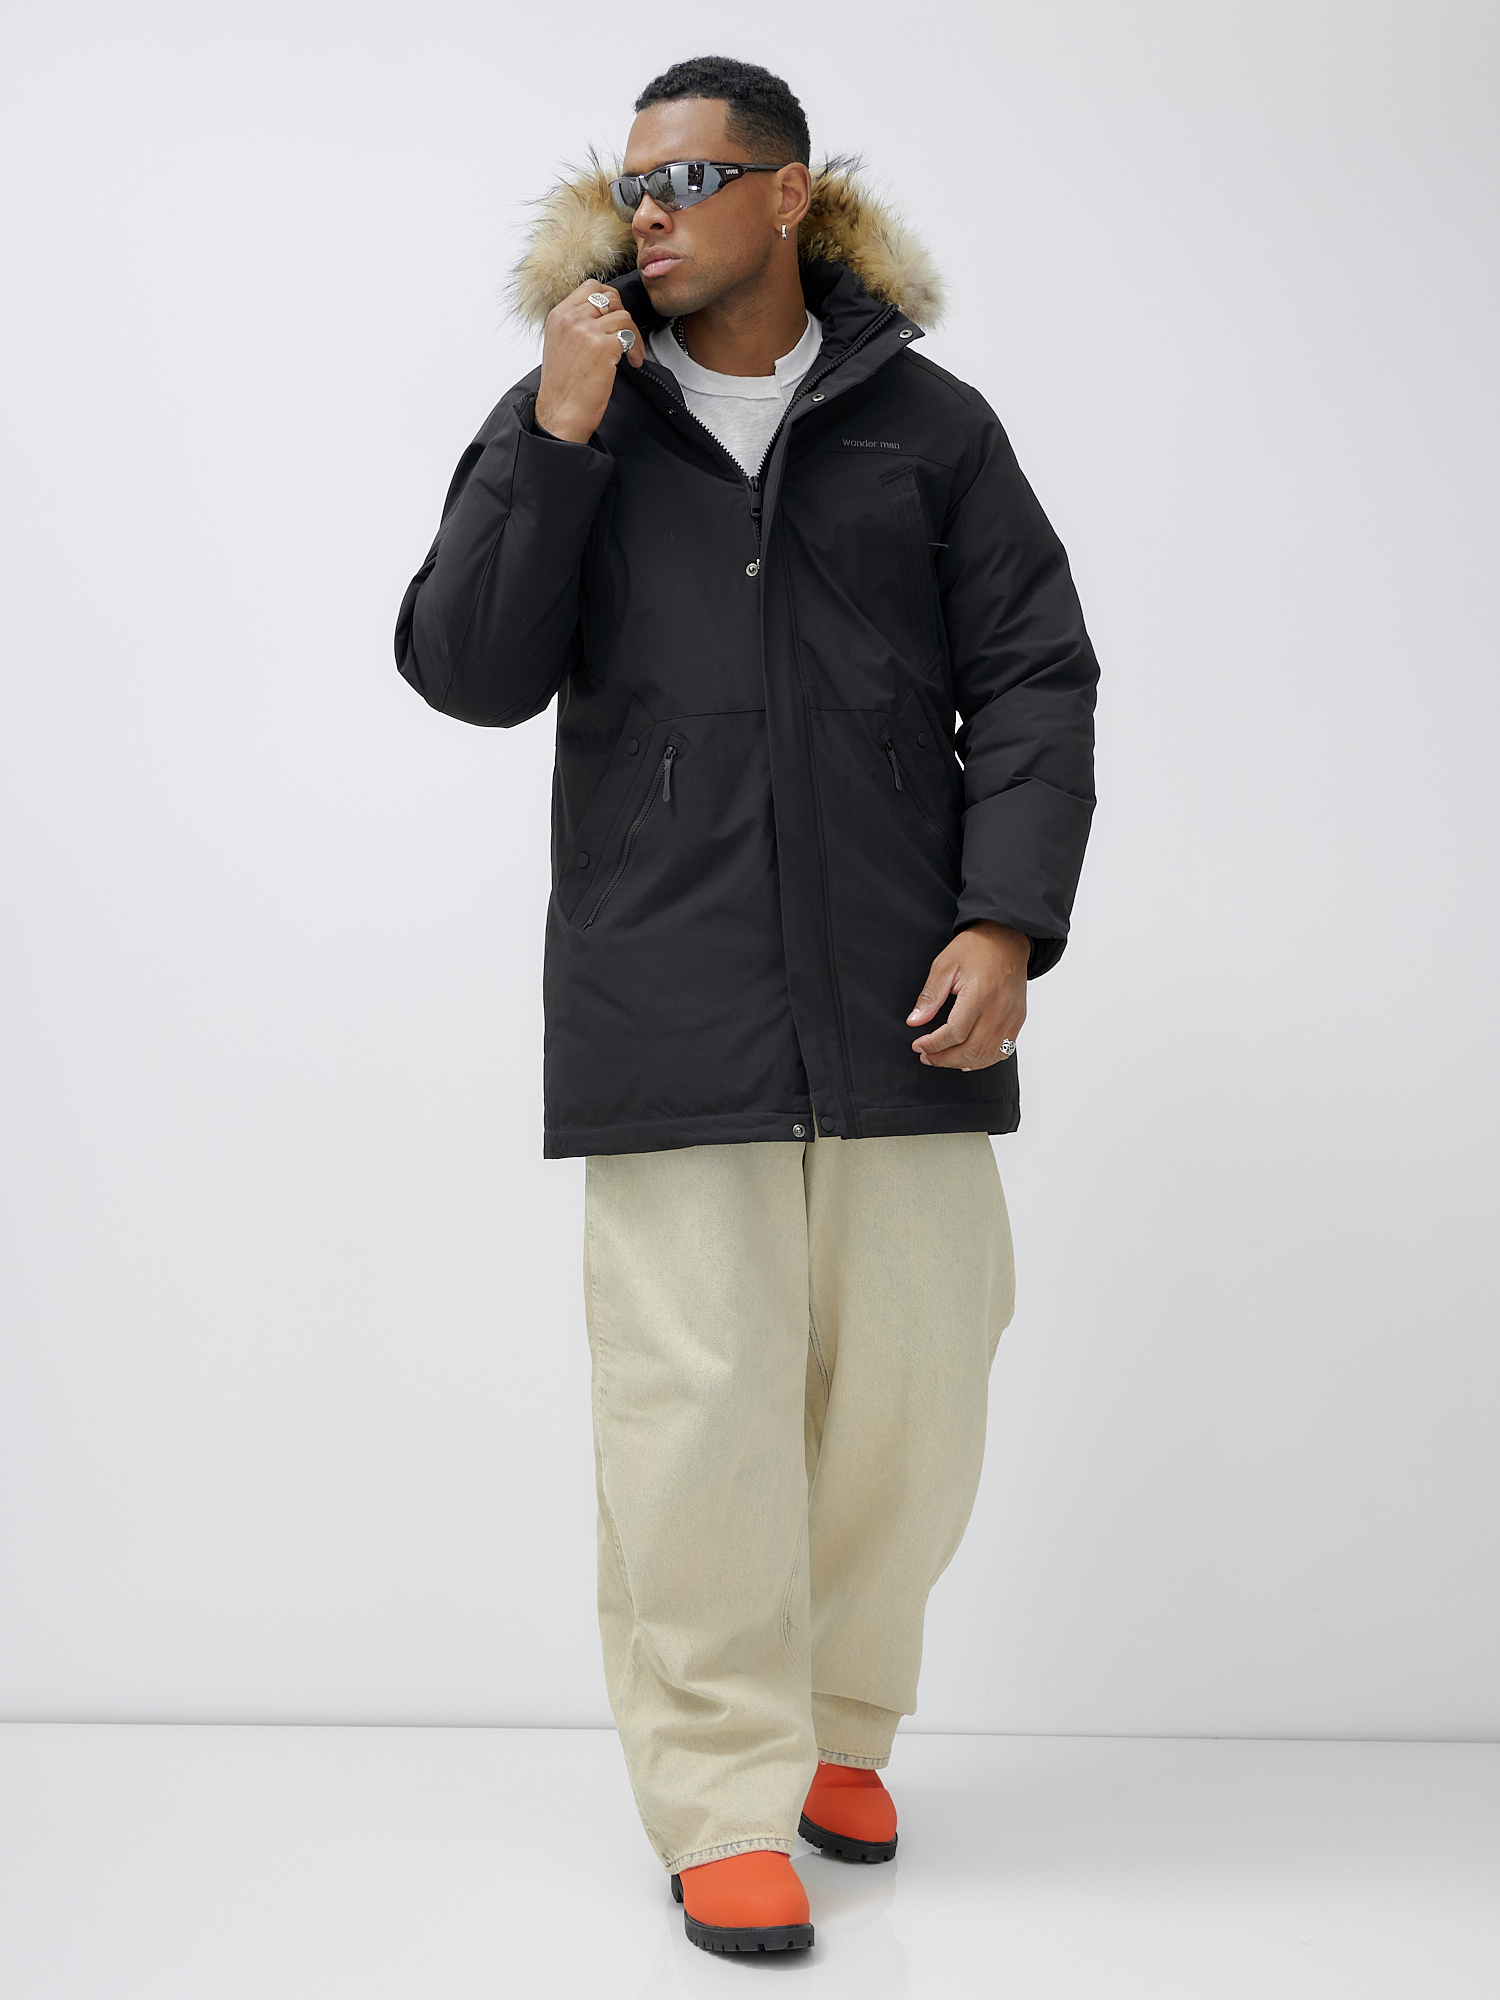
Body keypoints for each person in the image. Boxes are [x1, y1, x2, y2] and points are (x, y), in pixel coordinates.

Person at [396, 55, 1097, 1957]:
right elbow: (464, 668)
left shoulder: (927, 427)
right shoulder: (577, 411)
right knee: (692, 1409)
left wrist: (1008, 920)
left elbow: (1036, 672)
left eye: (694, 176)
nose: (653, 208)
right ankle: (720, 1793)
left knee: (917, 1390)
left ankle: (843, 1723)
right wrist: (557, 436)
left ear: (791, 194)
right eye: (634, 179)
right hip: (671, 990)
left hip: (904, 994)